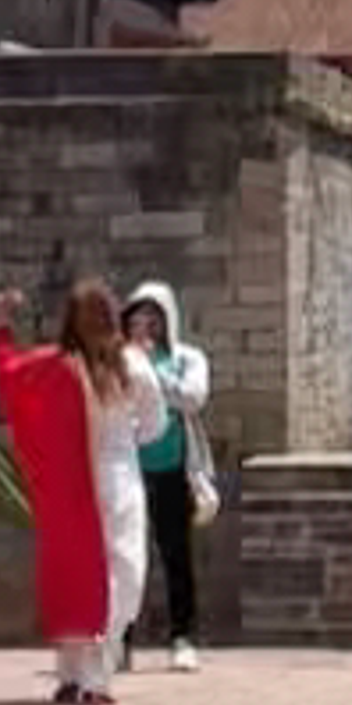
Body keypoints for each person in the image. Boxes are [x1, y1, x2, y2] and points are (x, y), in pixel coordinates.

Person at [0, 283, 163, 705]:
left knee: (77, 573)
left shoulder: (56, 366)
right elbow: (156, 423)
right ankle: (95, 677)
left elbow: (8, 371)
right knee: (121, 572)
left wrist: (0, 325)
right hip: (117, 476)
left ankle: (70, 673)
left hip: (72, 481)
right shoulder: (133, 364)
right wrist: (129, 436)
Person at [118, 281, 216, 667]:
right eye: (139, 316)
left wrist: (152, 374)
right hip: (128, 469)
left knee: (176, 554)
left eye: (153, 315)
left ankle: (183, 637)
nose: (146, 324)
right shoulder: (118, 359)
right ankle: (120, 640)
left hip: (173, 466)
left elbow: (192, 397)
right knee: (125, 557)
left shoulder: (187, 358)